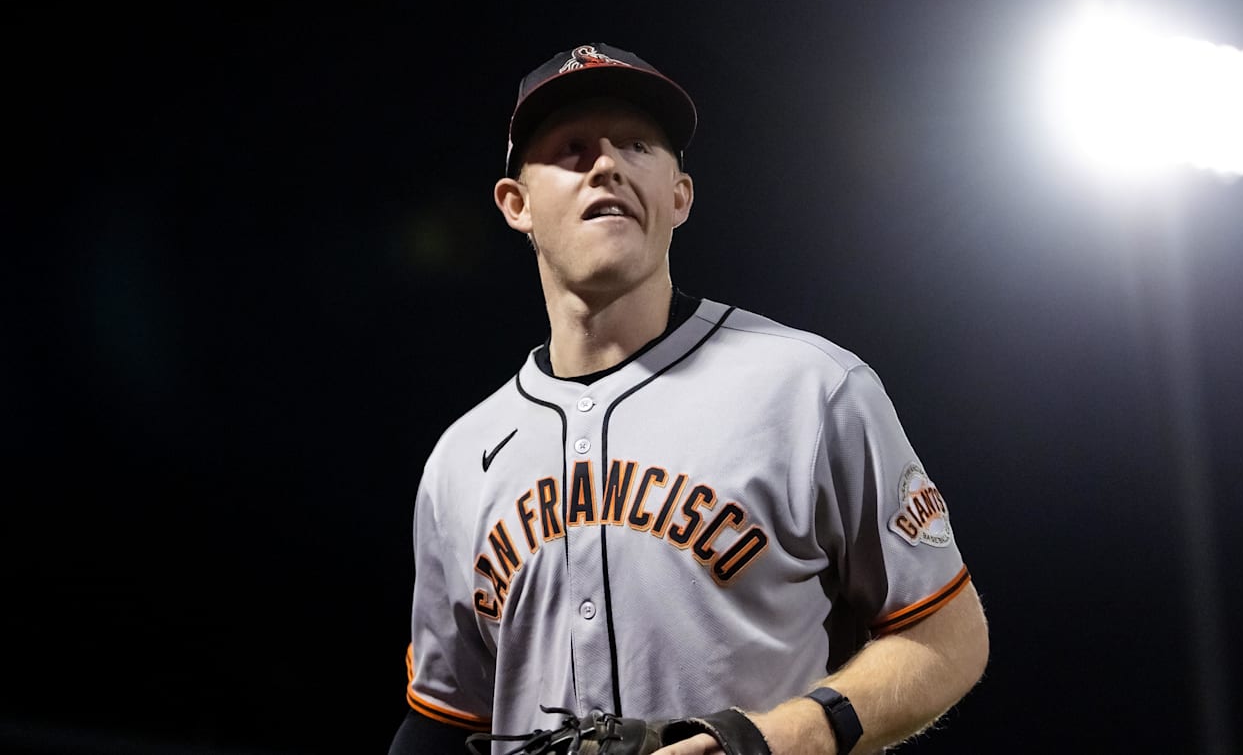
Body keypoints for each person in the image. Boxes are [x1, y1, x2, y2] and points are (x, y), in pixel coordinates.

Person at [388, 43, 989, 755]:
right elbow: (443, 719)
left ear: (680, 195)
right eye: (572, 150)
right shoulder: (460, 459)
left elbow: (947, 635)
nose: (606, 164)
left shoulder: (811, 388)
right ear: (516, 205)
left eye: (637, 144)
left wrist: (786, 736)